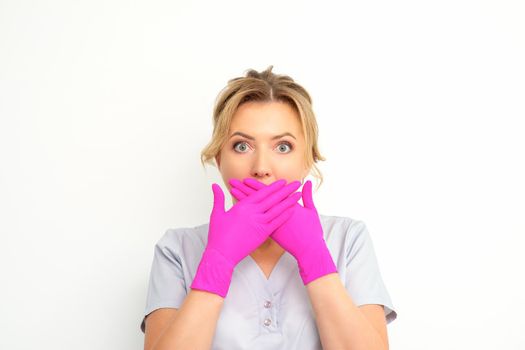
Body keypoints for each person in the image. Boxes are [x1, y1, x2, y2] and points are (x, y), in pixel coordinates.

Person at [140, 66, 398, 350]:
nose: (261, 168)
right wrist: (218, 261)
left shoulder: (348, 238)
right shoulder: (177, 249)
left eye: (283, 147)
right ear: (218, 158)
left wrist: (316, 259)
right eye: (241, 146)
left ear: (308, 159)